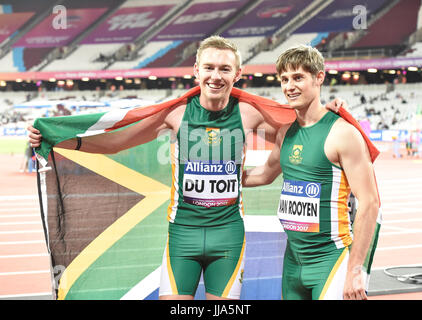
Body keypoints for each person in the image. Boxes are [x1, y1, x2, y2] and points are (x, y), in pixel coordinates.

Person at [28, 36, 344, 300]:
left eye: (224, 69)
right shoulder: (175, 114)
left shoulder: (249, 113)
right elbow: (116, 142)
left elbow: (301, 129)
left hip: (228, 238)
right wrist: (58, 140)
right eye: (208, 67)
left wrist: (329, 113)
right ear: (196, 70)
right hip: (182, 236)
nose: (215, 76)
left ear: (237, 74)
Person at [242, 45, 380, 300]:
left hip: (331, 261)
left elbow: (370, 203)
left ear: (319, 78)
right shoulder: (286, 133)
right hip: (293, 262)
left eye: (298, 77)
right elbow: (264, 174)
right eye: (284, 79)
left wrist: (355, 269)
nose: (289, 86)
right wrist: (226, 177)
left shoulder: (343, 133)